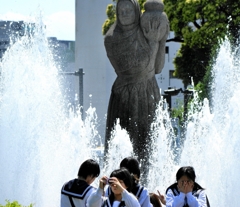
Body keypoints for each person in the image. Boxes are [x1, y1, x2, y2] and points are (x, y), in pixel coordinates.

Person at [104, 0, 169, 176]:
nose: (125, 14)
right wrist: (154, 43)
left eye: (128, 10)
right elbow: (137, 67)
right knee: (125, 147)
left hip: (149, 90)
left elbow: (157, 68)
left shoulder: (146, 30)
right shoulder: (112, 39)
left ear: (136, 11)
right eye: (121, 10)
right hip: (125, 94)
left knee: (149, 145)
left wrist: (161, 41)